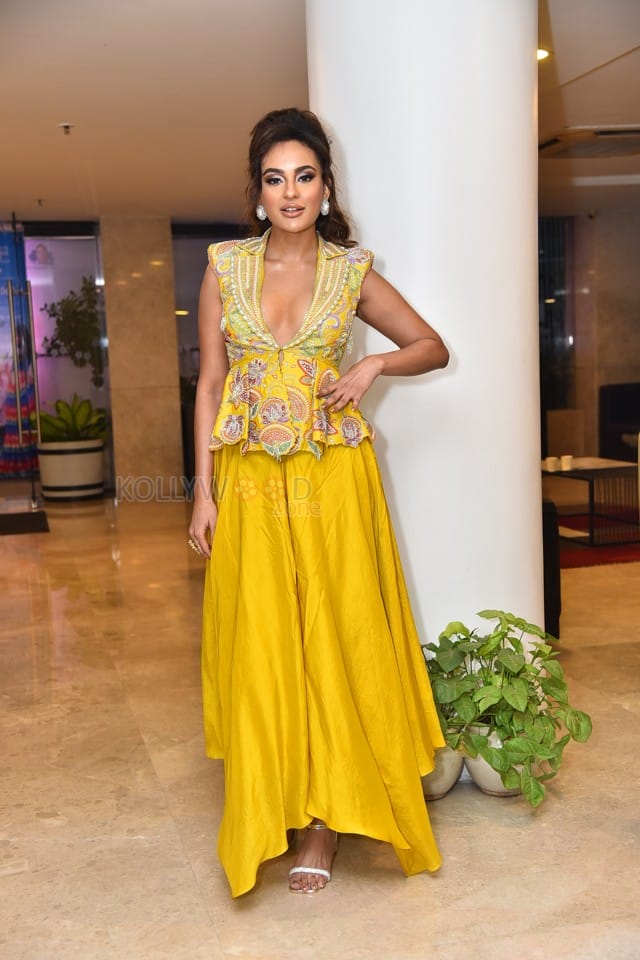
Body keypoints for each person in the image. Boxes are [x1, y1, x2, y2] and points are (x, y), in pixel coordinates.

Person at [188, 107, 449, 898]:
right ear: (257, 192)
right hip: (250, 482)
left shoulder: (349, 272)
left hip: (332, 480)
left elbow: (431, 345)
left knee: (335, 635)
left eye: (304, 176)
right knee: (264, 639)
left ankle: (324, 823)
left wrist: (373, 368)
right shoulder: (225, 267)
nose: (291, 192)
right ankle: (269, 803)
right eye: (276, 179)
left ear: (325, 187)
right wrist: (202, 489)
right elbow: (209, 383)